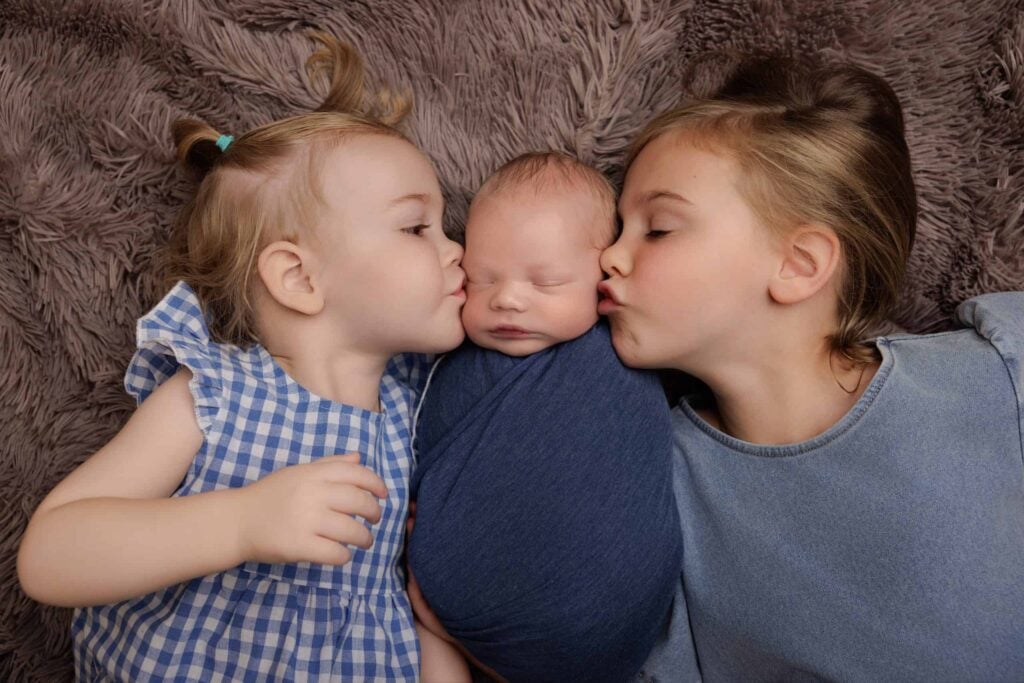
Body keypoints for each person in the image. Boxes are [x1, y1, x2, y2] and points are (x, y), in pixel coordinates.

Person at [16, 34, 467, 680]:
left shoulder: (412, 411)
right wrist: (240, 521)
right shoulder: (217, 395)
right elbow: (51, 554)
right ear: (300, 279)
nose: (455, 249)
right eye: (417, 227)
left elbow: (394, 597)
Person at [599, 56, 1024, 681]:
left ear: (798, 265)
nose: (608, 255)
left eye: (657, 229)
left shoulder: (1000, 373)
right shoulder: (655, 488)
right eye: (618, 226)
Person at [408, 152, 683, 682]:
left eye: (547, 282)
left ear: (605, 278)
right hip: (448, 630)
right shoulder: (446, 357)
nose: (507, 299)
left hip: (595, 634)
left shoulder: (620, 353)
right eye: (481, 280)